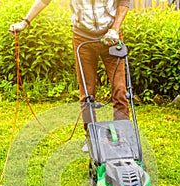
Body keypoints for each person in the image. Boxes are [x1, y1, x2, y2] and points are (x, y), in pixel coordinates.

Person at [9, 0, 130, 138]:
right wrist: (24, 23)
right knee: (87, 92)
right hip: (83, 38)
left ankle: (124, 135)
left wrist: (115, 28)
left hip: (111, 37)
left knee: (120, 89)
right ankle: (91, 137)